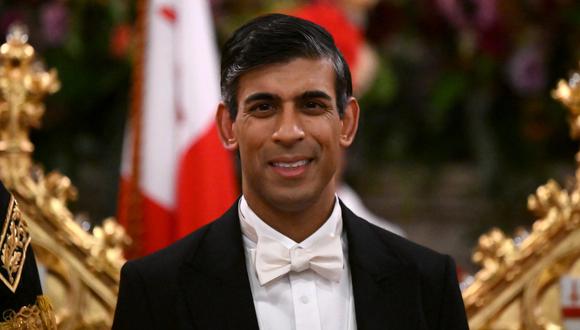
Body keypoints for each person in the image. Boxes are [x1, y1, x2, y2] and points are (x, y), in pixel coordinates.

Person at [112, 14, 468, 330]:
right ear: (228, 127)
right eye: (264, 107)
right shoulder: (155, 291)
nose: (288, 132)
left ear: (346, 122)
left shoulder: (427, 284)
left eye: (311, 105)